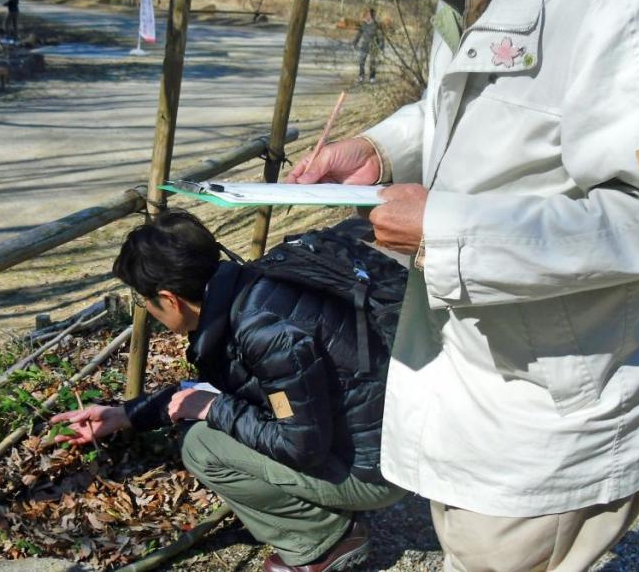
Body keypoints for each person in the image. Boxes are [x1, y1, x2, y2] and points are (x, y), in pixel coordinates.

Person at [288, 0, 639, 570]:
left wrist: (447, 231)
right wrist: (383, 151)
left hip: (559, 406)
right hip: (491, 383)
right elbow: (474, 111)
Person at [49, 210, 405, 572]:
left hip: (380, 471)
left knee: (202, 446)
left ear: (169, 299)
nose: (149, 310)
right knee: (209, 421)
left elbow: (301, 447)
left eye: (145, 301)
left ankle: (324, 540)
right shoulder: (247, 288)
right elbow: (233, 387)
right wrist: (127, 414)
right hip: (383, 436)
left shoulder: (264, 334)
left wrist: (213, 409)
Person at [352, 7, 384, 83]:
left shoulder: (376, 25)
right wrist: (355, 42)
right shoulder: (363, 24)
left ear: (373, 15)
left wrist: (381, 47)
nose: (367, 16)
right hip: (364, 45)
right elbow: (359, 34)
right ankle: (361, 76)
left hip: (374, 46)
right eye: (367, 14)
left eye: (369, 14)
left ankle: (372, 77)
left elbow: (380, 36)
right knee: (361, 62)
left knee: (372, 62)